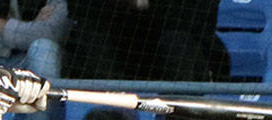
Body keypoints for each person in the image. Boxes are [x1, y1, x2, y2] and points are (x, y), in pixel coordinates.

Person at [62, 0, 228, 83]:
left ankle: (179, 119)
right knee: (89, 34)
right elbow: (81, 8)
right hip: (117, 51)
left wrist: (145, 4)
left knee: (176, 41)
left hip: (179, 57)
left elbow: (188, 19)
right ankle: (109, 109)